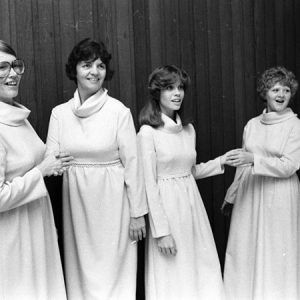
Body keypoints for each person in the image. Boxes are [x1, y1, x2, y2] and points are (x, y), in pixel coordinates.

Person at [46, 38, 148, 300]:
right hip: (78, 206)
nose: (94, 71)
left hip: (114, 205)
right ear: (75, 70)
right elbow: (50, 160)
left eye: (100, 66)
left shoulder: (118, 112)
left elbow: (133, 165)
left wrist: (137, 214)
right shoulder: (59, 113)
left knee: (115, 273)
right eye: (87, 65)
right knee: (82, 274)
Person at [138, 65, 229, 300]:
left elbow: (189, 172)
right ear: (157, 93)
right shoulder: (147, 133)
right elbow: (148, 184)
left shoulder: (188, 130)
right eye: (169, 88)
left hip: (192, 209)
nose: (177, 93)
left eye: (180, 88)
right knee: (172, 272)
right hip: (167, 212)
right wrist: (162, 232)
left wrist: (222, 161)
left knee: (200, 269)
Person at [0, 40, 72, 299]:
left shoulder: (18, 116)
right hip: (12, 240)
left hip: (36, 228)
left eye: (15, 66)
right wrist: (41, 170)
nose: (12, 74)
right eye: (2, 67)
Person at [223, 66, 300, 300]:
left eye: (286, 90)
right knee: (245, 249)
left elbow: (289, 165)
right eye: (275, 89)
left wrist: (254, 159)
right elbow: (242, 163)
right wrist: (232, 196)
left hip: (280, 194)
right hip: (250, 193)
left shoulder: (295, 125)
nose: (281, 94)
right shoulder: (252, 124)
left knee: (276, 250)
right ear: (264, 92)